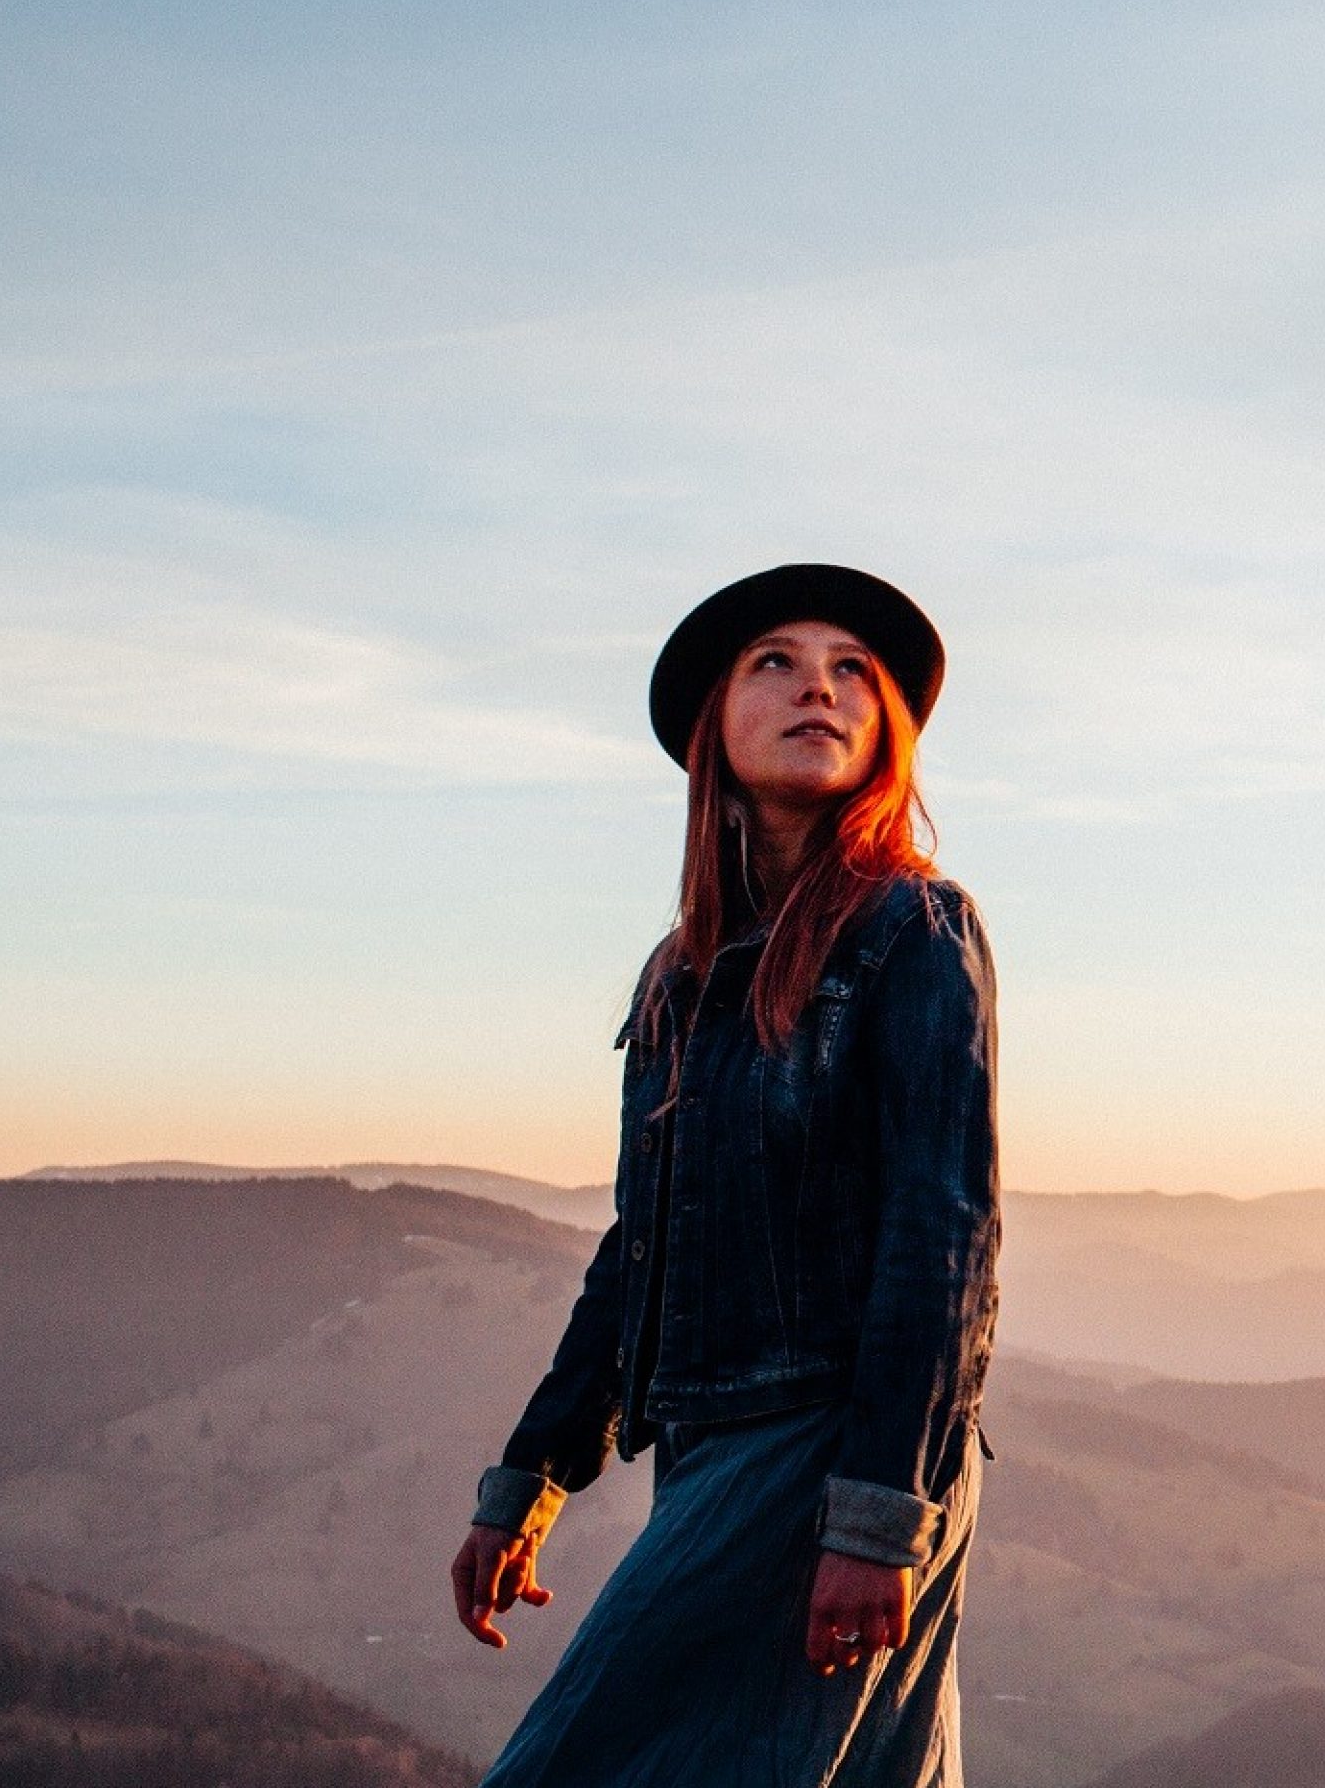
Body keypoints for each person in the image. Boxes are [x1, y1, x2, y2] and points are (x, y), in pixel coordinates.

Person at [450, 563, 1000, 1788]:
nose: (820, 686)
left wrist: (874, 1518)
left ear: (886, 731)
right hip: (709, 1447)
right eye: (777, 662)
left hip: (835, 1450)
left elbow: (943, 1234)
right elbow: (640, 1242)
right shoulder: (681, 972)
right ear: (716, 728)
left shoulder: (914, 930)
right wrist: (534, 1474)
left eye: (852, 669)